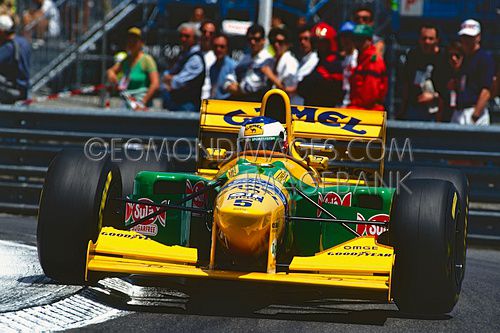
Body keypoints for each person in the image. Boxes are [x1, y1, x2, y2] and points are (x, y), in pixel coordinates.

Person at [450, 19, 495, 125]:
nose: (466, 40)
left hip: (474, 110)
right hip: (459, 110)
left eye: (470, 37)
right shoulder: (463, 58)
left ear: (478, 37)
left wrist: (475, 115)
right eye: (464, 37)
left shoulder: (484, 58)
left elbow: (487, 90)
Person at [401, 23, 447, 121]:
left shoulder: (444, 57)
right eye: (424, 38)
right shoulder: (413, 55)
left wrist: (434, 96)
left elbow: (448, 87)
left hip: (437, 109)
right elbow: (406, 83)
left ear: (437, 40)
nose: (427, 42)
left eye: (431, 39)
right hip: (414, 107)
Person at [107, 27, 159, 110]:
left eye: (135, 40)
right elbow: (111, 71)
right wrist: (112, 76)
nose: (131, 43)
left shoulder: (147, 60)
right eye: (129, 40)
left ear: (141, 43)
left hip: (141, 105)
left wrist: (142, 102)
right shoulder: (126, 60)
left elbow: (155, 84)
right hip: (127, 103)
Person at [297, 22, 344, 107]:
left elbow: (305, 87)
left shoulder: (334, 65)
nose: (318, 46)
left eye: (322, 43)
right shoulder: (320, 62)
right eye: (316, 42)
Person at [224, 24, 273, 102]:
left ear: (263, 41)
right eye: (250, 39)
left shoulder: (267, 60)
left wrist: (236, 87)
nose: (253, 42)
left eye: (257, 39)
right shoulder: (245, 58)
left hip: (257, 105)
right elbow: (231, 76)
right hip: (240, 103)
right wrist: (229, 85)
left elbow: (250, 87)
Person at [348, 24, 387, 111]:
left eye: (361, 39)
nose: (358, 43)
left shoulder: (373, 61)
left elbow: (370, 95)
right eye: (356, 39)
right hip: (359, 109)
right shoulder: (361, 59)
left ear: (369, 40)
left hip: (368, 112)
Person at [0, 15, 31, 104]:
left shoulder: (8, 47)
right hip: (23, 89)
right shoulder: (24, 42)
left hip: (12, 90)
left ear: (1, 32)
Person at [288, 25, 318, 105]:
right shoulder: (302, 60)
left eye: (306, 39)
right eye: (300, 39)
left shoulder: (315, 60)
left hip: (306, 106)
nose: (302, 42)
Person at [436, 41, 464, 122]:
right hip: (448, 117)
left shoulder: (468, 75)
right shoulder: (444, 76)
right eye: (450, 56)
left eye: (457, 55)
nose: (453, 58)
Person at [266, 27, 298, 92]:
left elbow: (289, 89)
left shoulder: (290, 62)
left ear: (288, 44)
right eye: (273, 42)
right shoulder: (272, 61)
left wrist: (270, 75)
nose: (276, 45)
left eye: (280, 42)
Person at [209, 33, 235, 100]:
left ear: (227, 48)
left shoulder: (233, 66)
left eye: (222, 47)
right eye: (215, 46)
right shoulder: (212, 67)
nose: (218, 49)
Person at [339, 21, 358, 107]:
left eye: (349, 36)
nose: (346, 40)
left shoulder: (358, 57)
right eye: (343, 36)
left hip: (353, 102)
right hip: (343, 101)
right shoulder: (342, 58)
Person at [199, 20, 216, 100]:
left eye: (211, 33)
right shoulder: (192, 53)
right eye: (204, 32)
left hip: (209, 101)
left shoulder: (217, 57)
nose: (207, 35)